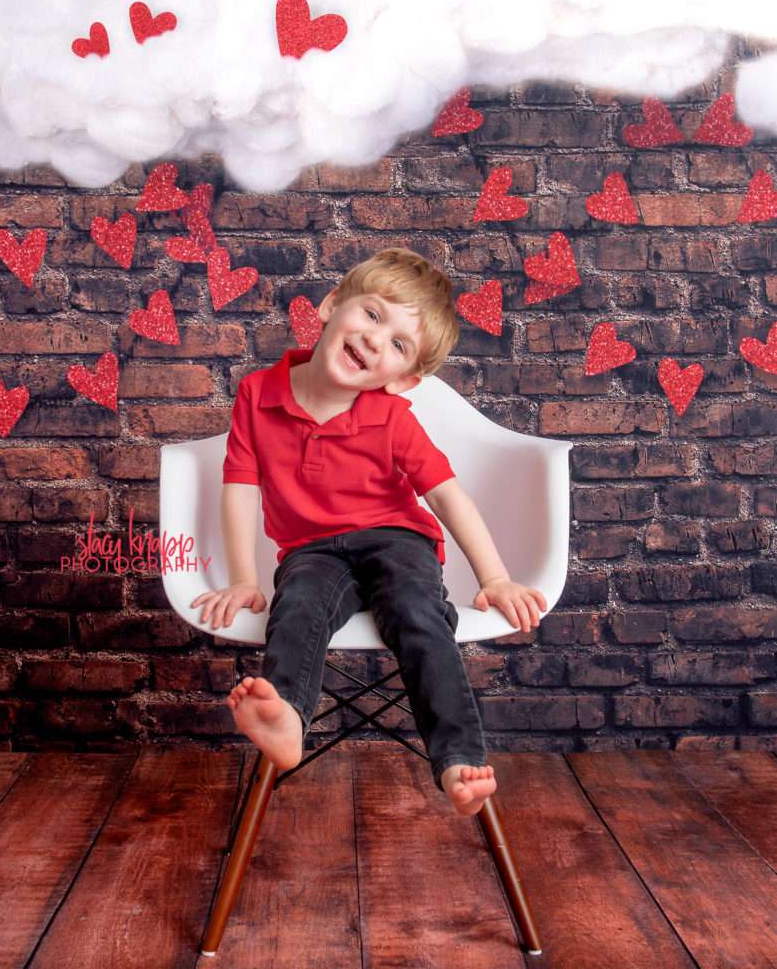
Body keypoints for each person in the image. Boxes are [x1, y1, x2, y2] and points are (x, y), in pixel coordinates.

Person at [191, 247, 546, 816]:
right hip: (312, 551)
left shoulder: (393, 418)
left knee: (416, 610)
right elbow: (239, 487)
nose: (376, 340)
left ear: (404, 378)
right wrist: (242, 579)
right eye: (373, 314)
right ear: (332, 305)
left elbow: (447, 497)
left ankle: (457, 757)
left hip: (395, 539)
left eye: (399, 345)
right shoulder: (258, 395)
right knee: (298, 603)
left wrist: (496, 577)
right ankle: (287, 717)